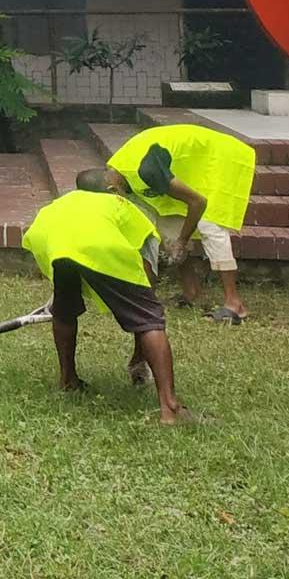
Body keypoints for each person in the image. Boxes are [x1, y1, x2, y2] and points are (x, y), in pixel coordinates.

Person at [26, 174, 193, 424]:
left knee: (65, 309)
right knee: (151, 319)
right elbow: (145, 280)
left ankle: (68, 379)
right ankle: (170, 408)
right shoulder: (124, 207)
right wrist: (145, 317)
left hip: (55, 243)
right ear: (112, 190)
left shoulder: (63, 203)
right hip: (101, 247)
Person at [102, 123, 257, 323]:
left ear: (111, 187)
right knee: (167, 223)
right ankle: (192, 292)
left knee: (210, 224)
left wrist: (182, 241)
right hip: (193, 163)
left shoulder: (146, 169)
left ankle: (234, 304)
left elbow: (198, 202)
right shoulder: (120, 173)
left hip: (221, 158)